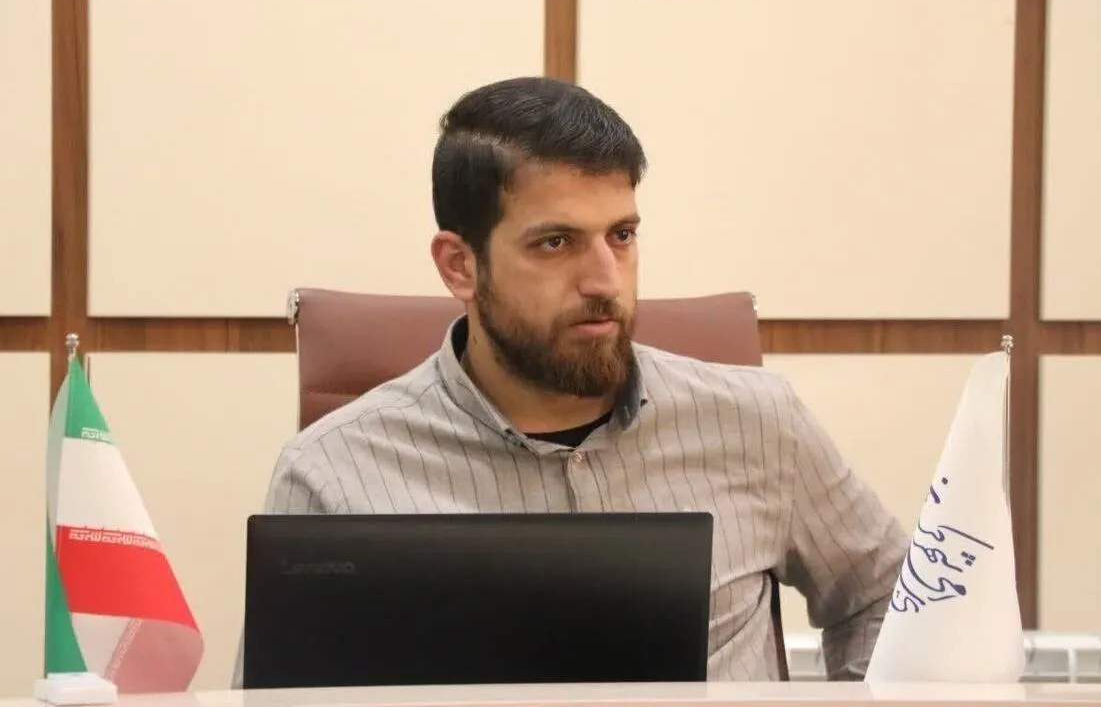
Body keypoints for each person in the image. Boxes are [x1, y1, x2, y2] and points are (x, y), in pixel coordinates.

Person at [235, 76, 908, 685]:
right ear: (460, 266)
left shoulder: (759, 422)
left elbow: (891, 599)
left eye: (622, 235)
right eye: (555, 243)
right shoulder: (332, 473)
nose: (604, 281)